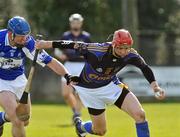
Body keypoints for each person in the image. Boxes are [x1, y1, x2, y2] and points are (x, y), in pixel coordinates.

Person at [36, 29, 165, 137]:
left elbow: (145, 68)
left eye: (127, 48)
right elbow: (71, 44)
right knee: (100, 131)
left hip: (111, 86)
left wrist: (155, 86)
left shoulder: (131, 54)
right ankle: (81, 127)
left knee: (140, 115)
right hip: (89, 91)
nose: (124, 51)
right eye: (120, 48)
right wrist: (45, 44)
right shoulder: (97, 50)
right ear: (114, 44)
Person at [0, 16, 78, 137]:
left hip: (19, 79)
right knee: (17, 120)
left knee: (25, 120)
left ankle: (2, 118)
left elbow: (50, 62)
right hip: (1, 81)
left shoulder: (29, 43)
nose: (24, 39)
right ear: (11, 34)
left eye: (26, 36)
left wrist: (67, 75)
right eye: (21, 37)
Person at [54, 13, 91, 119]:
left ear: (81, 23)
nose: (76, 24)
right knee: (66, 94)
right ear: (70, 23)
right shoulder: (65, 36)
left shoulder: (86, 37)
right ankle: (76, 111)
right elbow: (57, 49)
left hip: (82, 66)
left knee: (80, 93)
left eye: (78, 22)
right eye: (74, 22)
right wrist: (61, 55)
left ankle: (77, 115)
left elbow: (91, 50)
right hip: (68, 65)